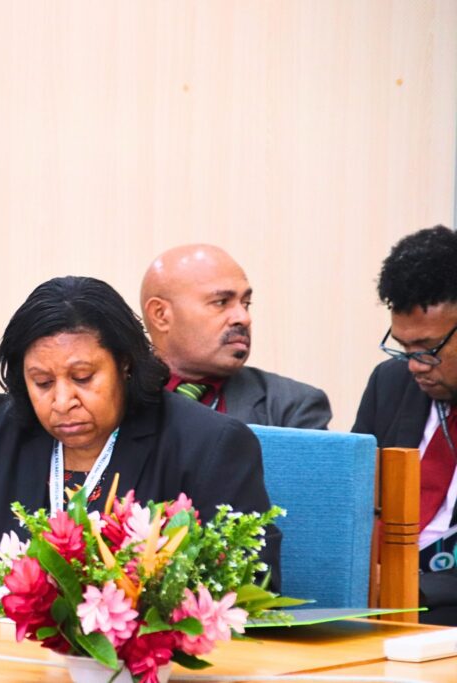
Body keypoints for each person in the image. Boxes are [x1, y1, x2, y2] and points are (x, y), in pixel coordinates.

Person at [0, 275, 280, 595]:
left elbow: (251, 585)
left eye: (82, 377)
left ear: (124, 364)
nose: (62, 401)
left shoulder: (207, 443)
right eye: (42, 382)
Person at [352, 225, 457, 625]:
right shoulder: (389, 383)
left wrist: (406, 588)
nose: (414, 366)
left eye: (428, 349)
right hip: (375, 603)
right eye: (403, 348)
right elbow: (357, 504)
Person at [140, 244, 331, 428]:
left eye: (246, 303)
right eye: (221, 302)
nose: (244, 318)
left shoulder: (292, 407)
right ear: (160, 315)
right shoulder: (124, 397)